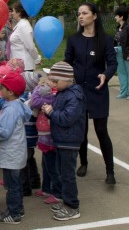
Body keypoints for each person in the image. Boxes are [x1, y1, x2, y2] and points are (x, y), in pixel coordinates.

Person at [64, 2, 117, 184]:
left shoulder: (106, 40)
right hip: (78, 91)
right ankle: (84, 163)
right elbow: (68, 62)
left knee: (101, 131)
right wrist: (63, 77)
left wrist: (106, 75)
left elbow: (112, 63)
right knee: (82, 131)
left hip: (98, 91)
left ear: (94, 16)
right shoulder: (74, 40)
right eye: (79, 13)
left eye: (84, 13)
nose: (80, 16)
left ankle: (110, 171)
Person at [40, 61, 86, 222]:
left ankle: (72, 206)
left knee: (67, 175)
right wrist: (48, 111)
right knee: (62, 172)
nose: (52, 84)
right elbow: (58, 113)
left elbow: (67, 118)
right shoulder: (62, 92)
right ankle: (66, 201)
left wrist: (51, 112)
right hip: (61, 139)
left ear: (67, 79)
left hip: (69, 141)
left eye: (55, 81)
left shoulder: (74, 95)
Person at [0, 71, 32, 224]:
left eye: (2, 87)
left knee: (11, 187)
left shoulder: (10, 110)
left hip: (10, 155)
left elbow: (3, 133)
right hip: (17, 153)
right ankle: (18, 209)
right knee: (16, 185)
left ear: (11, 91)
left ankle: (14, 215)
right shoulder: (18, 104)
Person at [114, 6, 129, 100]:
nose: (115, 17)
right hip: (119, 53)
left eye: (116, 15)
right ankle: (123, 92)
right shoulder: (118, 28)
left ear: (121, 17)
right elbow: (116, 40)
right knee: (121, 73)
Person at [8, 1, 40, 71]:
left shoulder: (24, 26)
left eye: (13, 11)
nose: (12, 13)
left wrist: (37, 58)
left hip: (25, 66)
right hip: (18, 65)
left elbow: (30, 46)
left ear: (19, 12)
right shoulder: (20, 25)